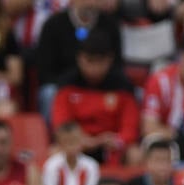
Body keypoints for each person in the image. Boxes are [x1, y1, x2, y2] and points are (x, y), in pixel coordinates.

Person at [50, 32, 141, 166]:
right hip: (77, 145)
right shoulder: (67, 85)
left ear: (110, 59)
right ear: (79, 58)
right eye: (90, 61)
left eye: (100, 62)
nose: (94, 69)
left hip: (112, 147)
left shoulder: (123, 86)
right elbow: (62, 125)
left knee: (135, 154)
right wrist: (84, 141)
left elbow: (130, 128)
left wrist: (117, 140)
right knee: (54, 153)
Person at [140, 33, 184, 144]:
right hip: (165, 145)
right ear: (183, 56)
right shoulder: (160, 82)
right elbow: (149, 128)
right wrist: (177, 137)